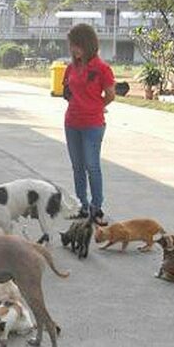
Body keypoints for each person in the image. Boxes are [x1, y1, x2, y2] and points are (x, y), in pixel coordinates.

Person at [63, 23, 115, 224]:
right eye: (72, 46)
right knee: (77, 167)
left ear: (87, 44)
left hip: (93, 125)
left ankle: (96, 207)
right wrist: (76, 101)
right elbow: (68, 91)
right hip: (72, 122)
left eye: (77, 45)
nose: (74, 50)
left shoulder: (102, 69)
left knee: (92, 166)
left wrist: (95, 106)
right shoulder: (71, 68)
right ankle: (81, 206)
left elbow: (110, 95)